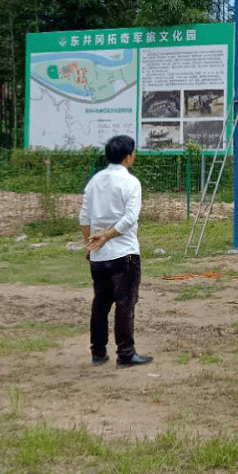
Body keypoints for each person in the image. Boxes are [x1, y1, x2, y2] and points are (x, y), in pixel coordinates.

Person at [79, 135, 151, 368]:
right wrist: (107, 236)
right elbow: (129, 219)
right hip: (124, 253)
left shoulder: (95, 181)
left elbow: (84, 217)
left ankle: (98, 352)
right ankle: (126, 354)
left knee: (100, 303)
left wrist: (91, 244)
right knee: (125, 304)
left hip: (99, 256)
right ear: (128, 156)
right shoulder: (131, 183)